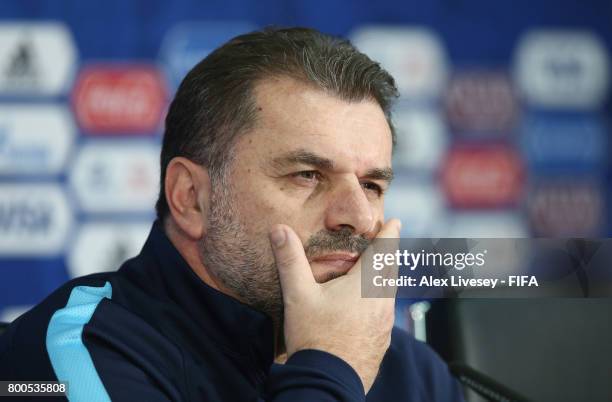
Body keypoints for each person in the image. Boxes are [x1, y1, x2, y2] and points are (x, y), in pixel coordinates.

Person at [0, 27, 464, 401]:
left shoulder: (410, 373)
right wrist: (328, 368)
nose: (359, 218)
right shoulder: (81, 352)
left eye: (371, 185)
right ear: (191, 198)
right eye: (307, 175)